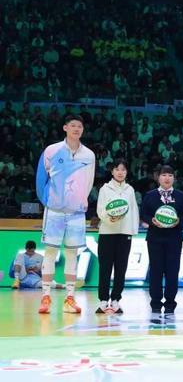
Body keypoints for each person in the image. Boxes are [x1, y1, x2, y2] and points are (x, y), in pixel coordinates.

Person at [36, 114, 95, 314]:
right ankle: (45, 297)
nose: (77, 129)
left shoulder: (89, 155)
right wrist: (49, 202)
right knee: (50, 253)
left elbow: (88, 183)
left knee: (72, 254)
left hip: (76, 213)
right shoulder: (51, 150)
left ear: (83, 130)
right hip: (54, 212)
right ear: (65, 128)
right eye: (73, 125)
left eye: (80, 126)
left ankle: (70, 298)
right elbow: (40, 179)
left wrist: (78, 201)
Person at [141, 165, 183, 314]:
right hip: (155, 238)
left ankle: (170, 302)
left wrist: (178, 221)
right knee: (155, 271)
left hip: (174, 238)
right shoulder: (150, 195)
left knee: (172, 271)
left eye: (170, 175)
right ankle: (155, 302)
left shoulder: (181, 196)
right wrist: (151, 220)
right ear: (158, 178)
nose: (167, 178)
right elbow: (143, 213)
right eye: (164, 175)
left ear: (174, 178)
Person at [95, 158, 139, 314]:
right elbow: (100, 210)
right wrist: (109, 218)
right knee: (105, 267)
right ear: (112, 171)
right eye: (117, 169)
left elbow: (133, 210)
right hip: (107, 232)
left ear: (126, 172)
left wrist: (132, 231)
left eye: (123, 169)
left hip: (124, 233)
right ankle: (103, 300)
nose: (120, 172)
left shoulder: (130, 189)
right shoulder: (105, 189)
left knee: (121, 268)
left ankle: (115, 300)